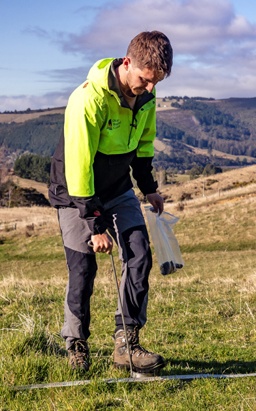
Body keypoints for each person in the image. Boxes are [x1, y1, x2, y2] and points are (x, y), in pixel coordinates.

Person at [48, 31, 173, 373]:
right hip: (75, 193)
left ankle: (126, 343)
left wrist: (147, 187)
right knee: (84, 269)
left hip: (117, 188)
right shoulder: (88, 100)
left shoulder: (147, 96)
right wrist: (95, 225)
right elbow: (78, 167)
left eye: (156, 83)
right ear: (127, 62)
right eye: (145, 81)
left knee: (139, 254)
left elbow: (143, 144)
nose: (149, 90)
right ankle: (76, 344)